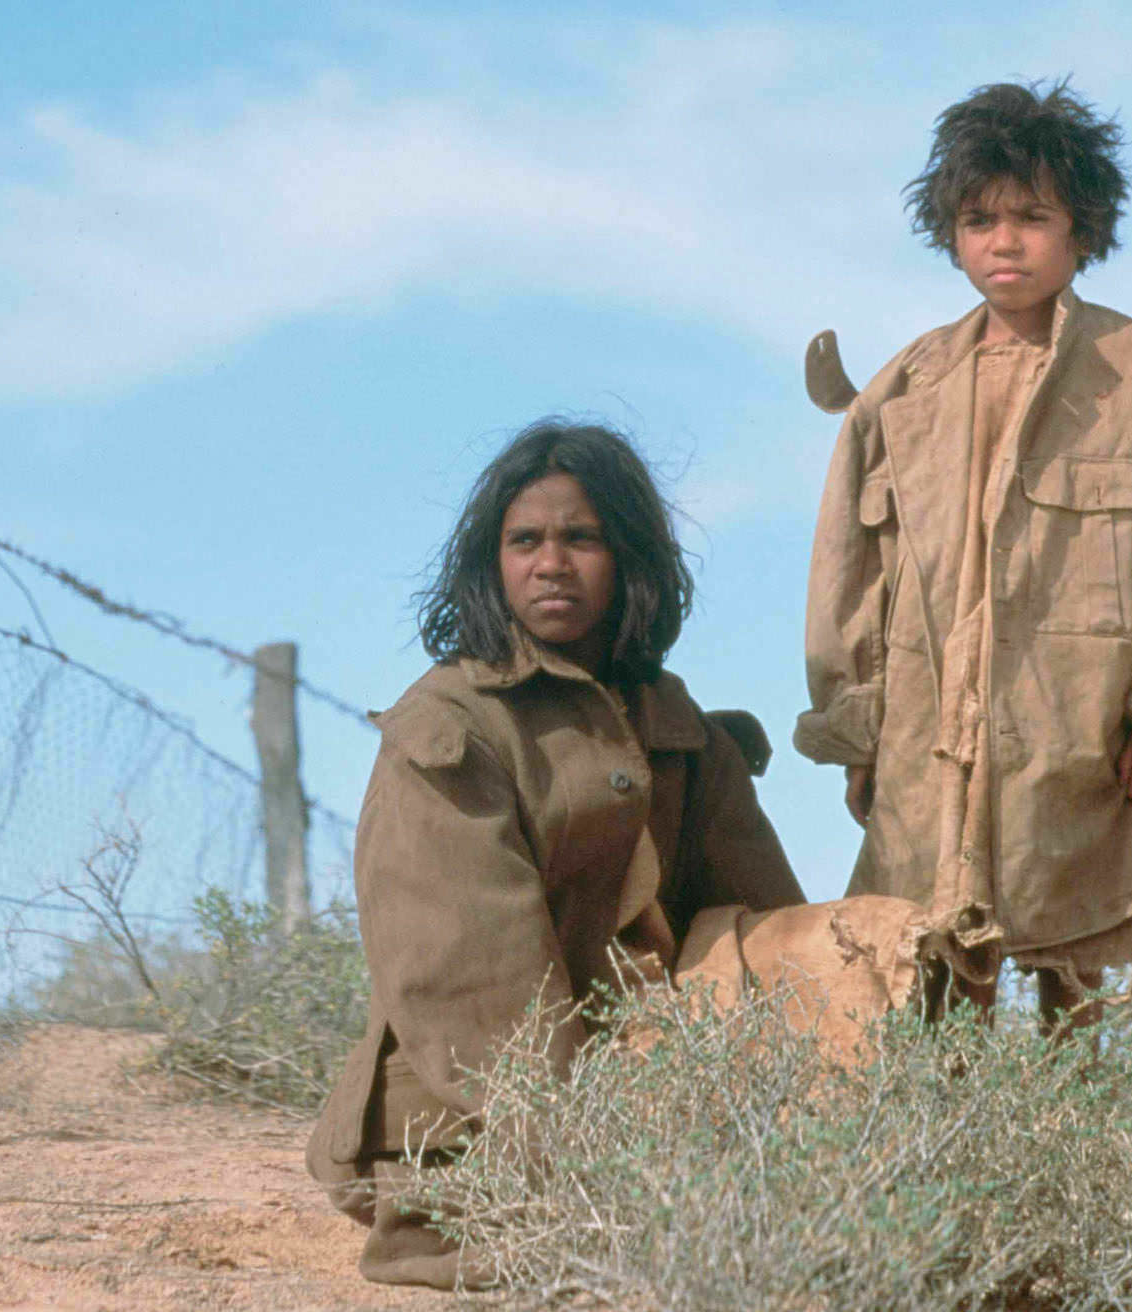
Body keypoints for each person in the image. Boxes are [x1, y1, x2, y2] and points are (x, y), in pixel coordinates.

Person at [305, 418, 819, 1289]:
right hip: (472, 1118)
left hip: (644, 1099)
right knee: (575, 1259)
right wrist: (588, 1149)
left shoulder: (680, 727)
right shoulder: (454, 725)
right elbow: (472, 979)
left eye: (582, 538)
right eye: (525, 541)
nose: (552, 563)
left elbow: (776, 935)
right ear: (492, 562)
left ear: (630, 560)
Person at [797, 80, 1132, 1030]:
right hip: (932, 752)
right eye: (978, 219)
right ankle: (943, 1174)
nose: (1003, 240)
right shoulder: (906, 386)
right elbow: (853, 571)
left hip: (1085, 749)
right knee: (926, 999)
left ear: (1081, 229)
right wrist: (859, 735)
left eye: (1031, 216)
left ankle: (1079, 1170)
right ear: (949, 233)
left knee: (1081, 999)